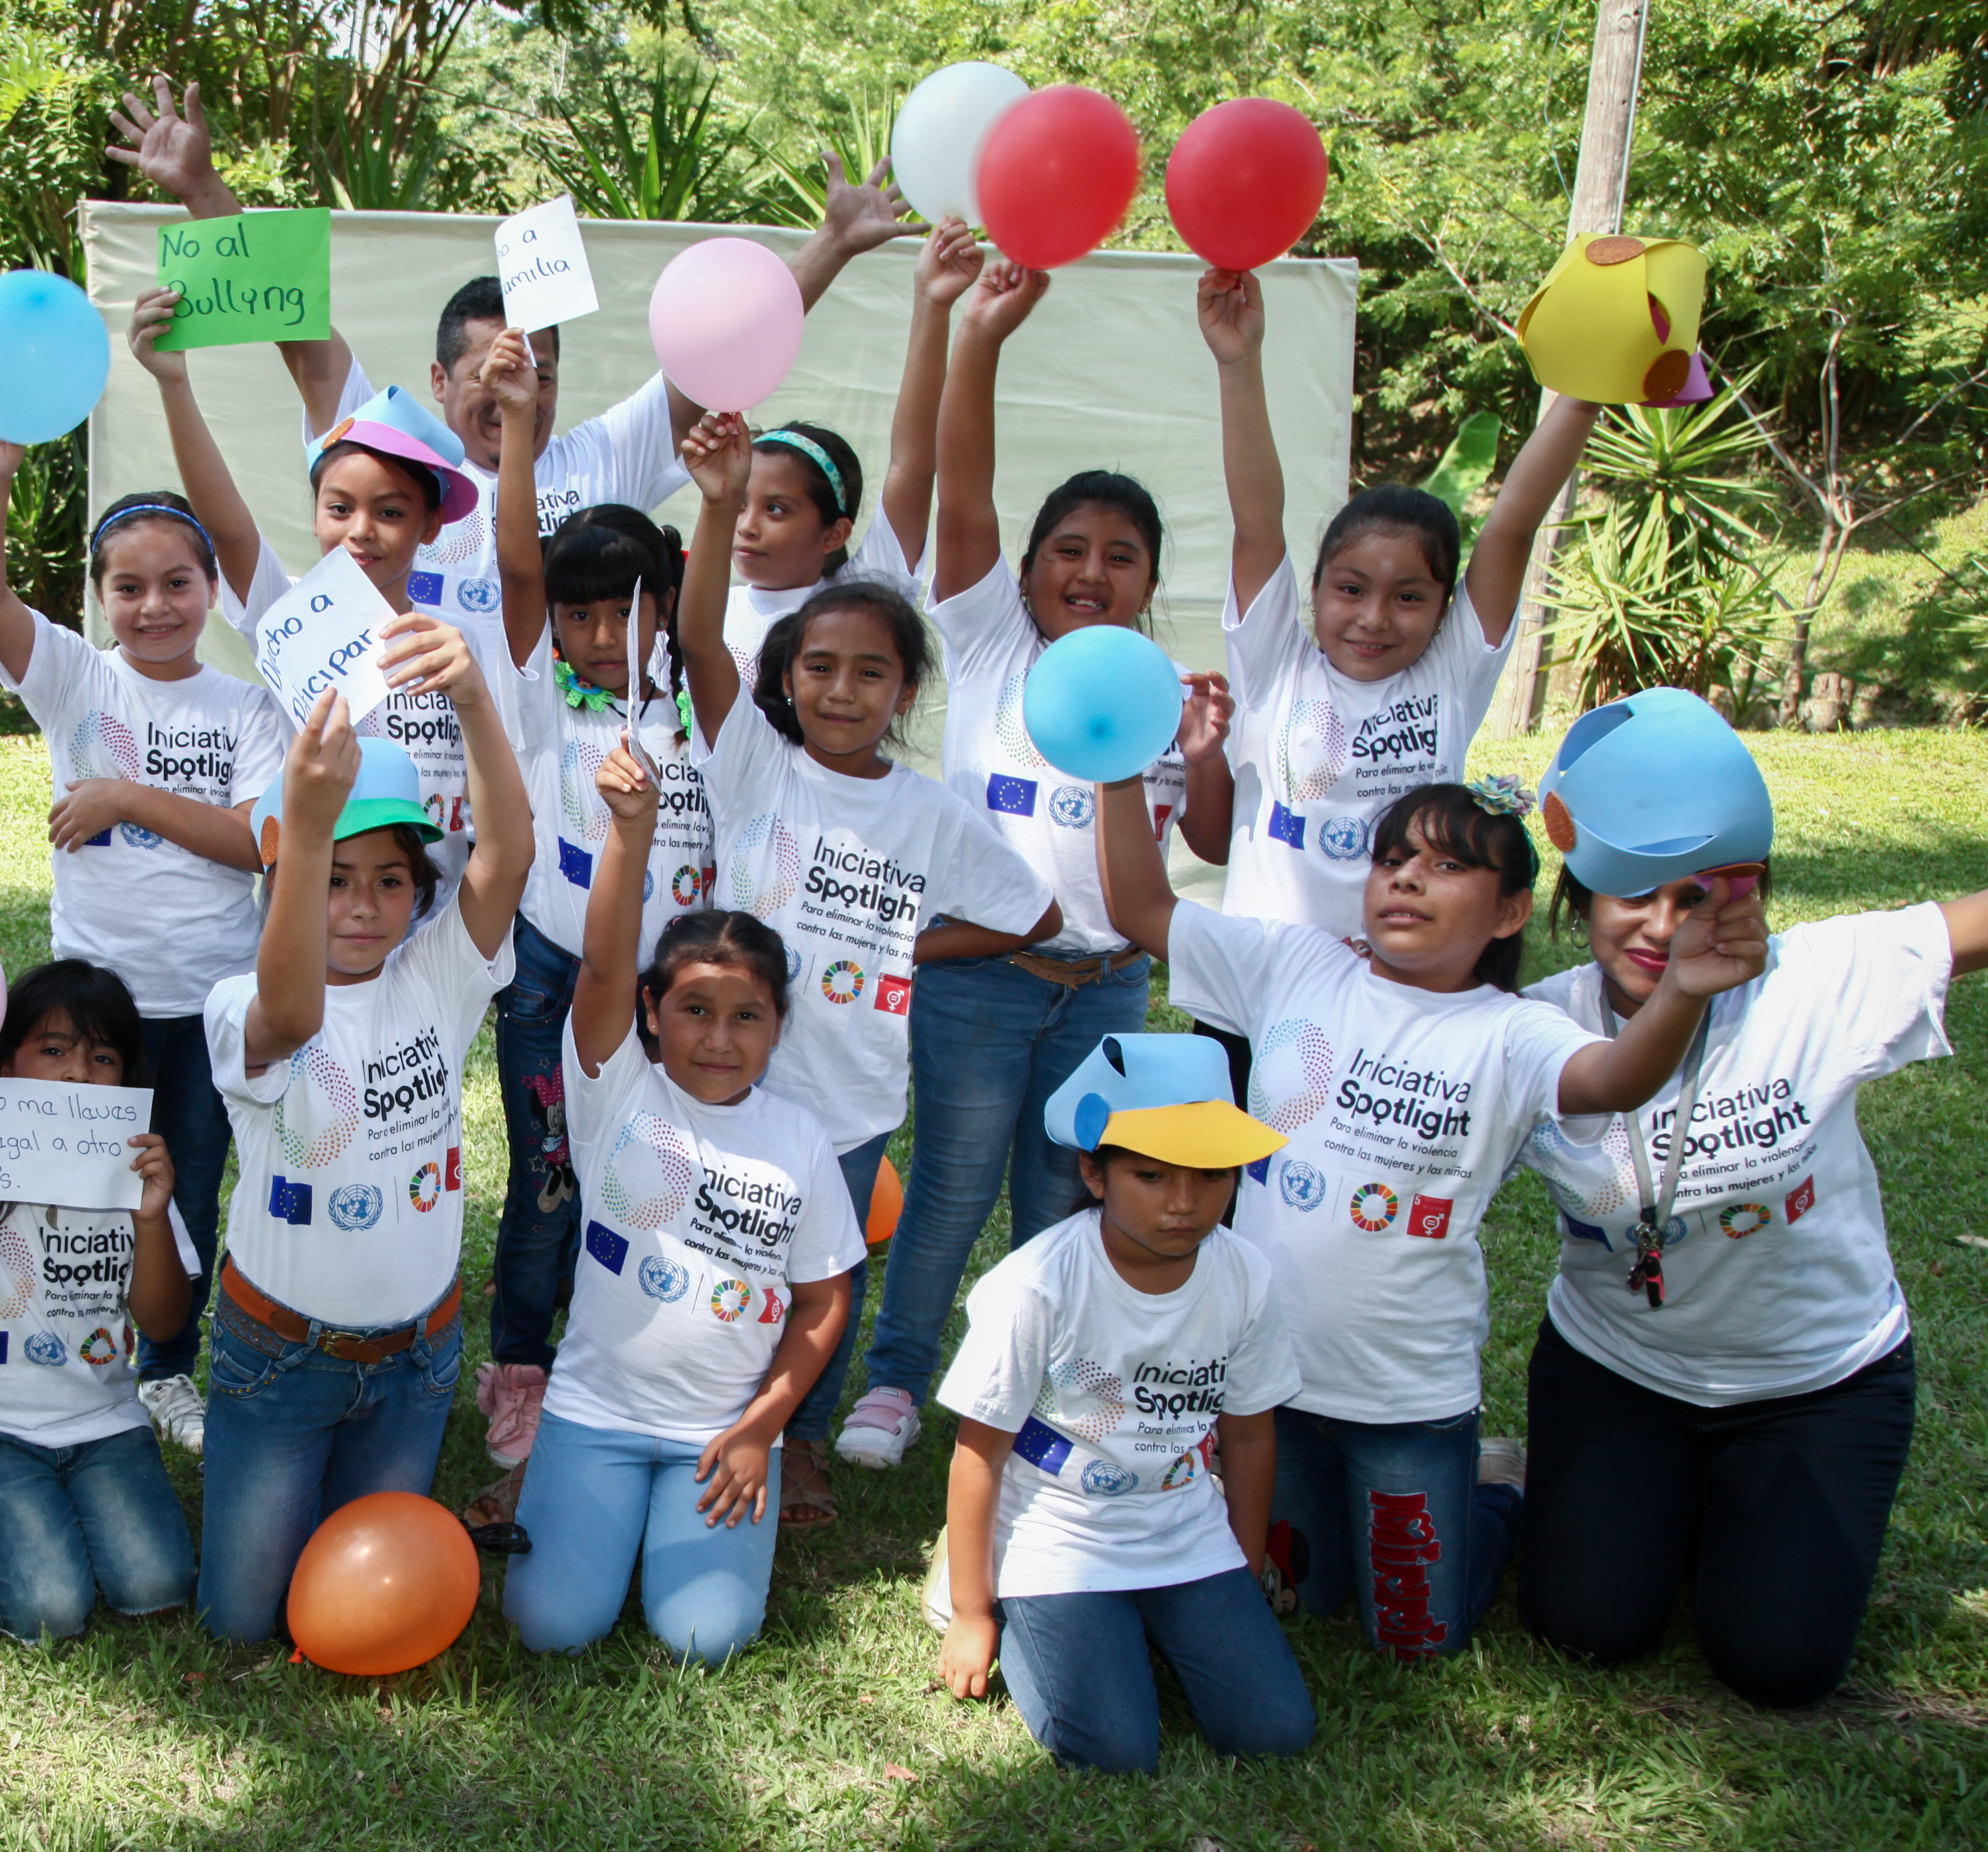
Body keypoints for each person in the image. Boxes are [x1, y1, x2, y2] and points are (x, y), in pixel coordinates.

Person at [1094, 773, 1766, 1658]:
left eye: (1445, 864)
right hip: (1269, 1385)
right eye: (1391, 858)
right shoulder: (1297, 964)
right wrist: (1114, 760)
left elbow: (1616, 1078)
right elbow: (1139, 903)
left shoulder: (1513, 1032)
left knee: (1416, 1635)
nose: (1405, 878)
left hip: (1406, 1397)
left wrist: (1680, 989)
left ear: (1508, 911)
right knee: (1305, 1593)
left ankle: (1496, 1491)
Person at [838, 257, 1236, 1471]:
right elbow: (960, 493)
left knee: (1066, 1200)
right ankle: (898, 1378)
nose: (1090, 570)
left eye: (1121, 555)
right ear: (1020, 573)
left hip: (1106, 986)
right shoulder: (996, 644)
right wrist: (980, 341)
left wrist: (1210, 754)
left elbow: (1206, 843)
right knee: (950, 1188)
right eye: (1066, 547)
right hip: (977, 980)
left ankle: (1050, 1387)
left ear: (1150, 584)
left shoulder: (1167, 697)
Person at [104, 75, 916, 642]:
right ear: (435, 382)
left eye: (534, 376)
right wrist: (203, 188)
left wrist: (832, 245)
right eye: (485, 378)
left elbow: (720, 351)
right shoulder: (391, 458)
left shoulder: (599, 461)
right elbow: (301, 333)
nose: (512, 392)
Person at [1512, 748, 1988, 1706]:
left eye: (1696, 895)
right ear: (1583, 888)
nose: (1659, 924)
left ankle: (1723, 1511)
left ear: (1751, 894)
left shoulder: (1817, 981)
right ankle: (1605, 1493)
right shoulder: (1527, 1027)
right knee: (1588, 1629)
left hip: (1817, 1380)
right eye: (1633, 892)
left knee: (1780, 1665)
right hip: (1619, 1369)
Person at [675, 413, 1059, 1532]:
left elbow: (1027, 912)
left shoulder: (928, 813)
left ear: (903, 691)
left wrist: (902, 944)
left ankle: (800, 1440)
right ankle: (696, 1408)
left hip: (846, 1097)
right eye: (819, 668)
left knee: (816, 1278)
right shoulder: (752, 762)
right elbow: (700, 644)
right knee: (712, 1257)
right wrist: (709, 503)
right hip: (722, 1080)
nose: (841, 691)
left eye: (869, 673)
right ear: (784, 680)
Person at [1184, 264, 1602, 1102]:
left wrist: (1590, 387)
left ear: (1443, 608)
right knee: (1218, 1210)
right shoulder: (1275, 662)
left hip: (1393, 996)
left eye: (1407, 597)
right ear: (1313, 592)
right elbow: (1255, 515)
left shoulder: (1451, 675)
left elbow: (1512, 521)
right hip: (1252, 996)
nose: (1373, 617)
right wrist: (1238, 360)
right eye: (1349, 589)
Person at [195, 627, 532, 1643]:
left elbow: (507, 850)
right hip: (279, 1357)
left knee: (365, 1598)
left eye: (390, 879)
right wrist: (302, 831)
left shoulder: (435, 974)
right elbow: (292, 1018)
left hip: (416, 1359)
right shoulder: (237, 1002)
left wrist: (474, 695)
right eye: (334, 877)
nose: (363, 904)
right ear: (288, 877)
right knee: (245, 1621)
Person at [0, 425, 282, 1456]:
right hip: (98, 1014)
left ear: (213, 590)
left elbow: (259, 843)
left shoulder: (247, 706)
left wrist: (126, 795)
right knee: (65, 1184)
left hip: (210, 1003)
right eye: (128, 587)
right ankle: (53, 1351)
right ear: (99, 598)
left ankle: (166, 1368)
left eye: (177, 583)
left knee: (177, 1178)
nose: (153, 606)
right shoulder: (74, 682)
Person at [498, 739, 861, 1665]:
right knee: (549, 1623)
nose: (720, 1037)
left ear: (779, 1025)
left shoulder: (801, 1139)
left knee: (706, 1636)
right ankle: (587, 1509)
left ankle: (677, 1535)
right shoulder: (617, 1087)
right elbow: (603, 971)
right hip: (597, 1413)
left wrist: (760, 1429)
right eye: (695, 1008)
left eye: (748, 1015)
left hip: (724, 1431)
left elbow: (824, 1302)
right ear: (654, 1012)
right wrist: (631, 831)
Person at [456, 328, 715, 1494]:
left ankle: (644, 1347)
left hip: (670, 987)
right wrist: (514, 427)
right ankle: (519, 1364)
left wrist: (714, 502)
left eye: (626, 611)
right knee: (551, 1171)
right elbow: (516, 567)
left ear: (663, 605)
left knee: (662, 1166)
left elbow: (695, 611)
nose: (601, 636)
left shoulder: (695, 701)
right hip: (551, 974)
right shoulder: (534, 688)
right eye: (579, 615)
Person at [927, 1032, 1311, 1774]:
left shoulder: (1244, 1276)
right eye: (1149, 1173)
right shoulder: (1036, 1284)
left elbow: (1249, 1434)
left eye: (1208, 1174)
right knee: (1114, 1746)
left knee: (1274, 1727)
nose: (1182, 1201)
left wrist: (1244, 1564)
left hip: (1181, 1529)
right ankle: (971, 1574)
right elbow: (979, 1449)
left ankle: (1148, 1621)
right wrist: (975, 1614)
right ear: (1092, 1173)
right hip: (1056, 1537)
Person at [136, 282, 507, 887]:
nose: (360, 532)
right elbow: (227, 528)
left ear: (431, 523)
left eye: (389, 512)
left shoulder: (457, 645)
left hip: (440, 940)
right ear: (314, 513)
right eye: (339, 509)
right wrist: (173, 384)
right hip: (314, 929)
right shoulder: (287, 614)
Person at [0, 961, 199, 1645]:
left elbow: (162, 1321)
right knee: (49, 1611)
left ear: (127, 1080)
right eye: (54, 1049)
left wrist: (151, 1216)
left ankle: (76, 1498)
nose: (77, 1073)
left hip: (104, 1419)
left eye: (102, 1057)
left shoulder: (133, 1171)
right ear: (4, 1061)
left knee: (156, 1585)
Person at [716, 218, 981, 689]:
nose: (747, 525)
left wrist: (932, 303)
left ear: (834, 534)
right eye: (740, 505)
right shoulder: (705, 612)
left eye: (775, 508)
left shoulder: (862, 598)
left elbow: (913, 466)